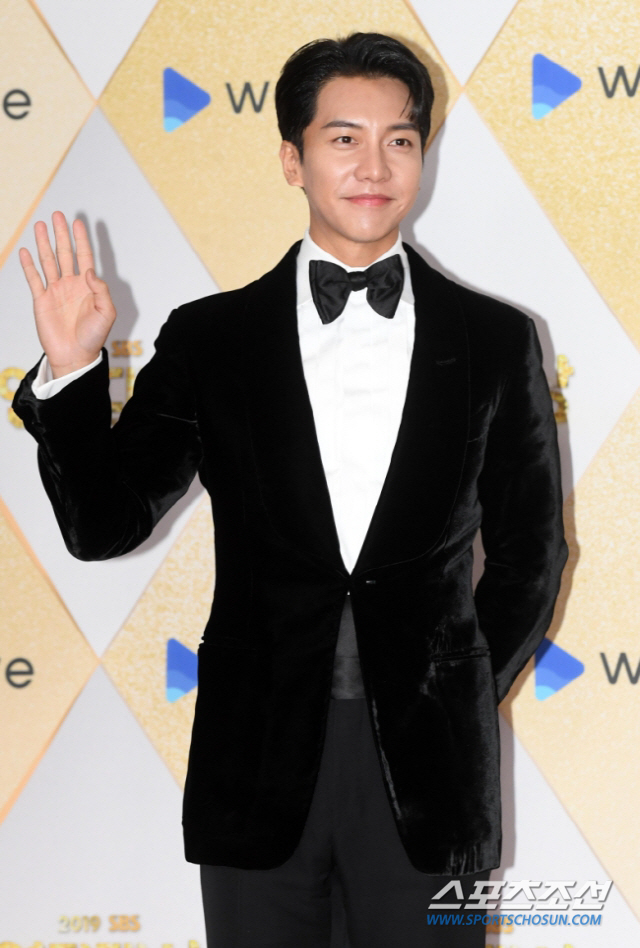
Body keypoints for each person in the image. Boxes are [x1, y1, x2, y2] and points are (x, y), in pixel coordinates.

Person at [13, 32, 567, 948]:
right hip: (255, 767)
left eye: (399, 140)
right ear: (291, 158)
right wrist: (73, 373)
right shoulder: (212, 338)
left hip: (429, 776)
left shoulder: (497, 339)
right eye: (344, 138)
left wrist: (452, 692)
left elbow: (530, 556)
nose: (374, 166)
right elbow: (102, 525)